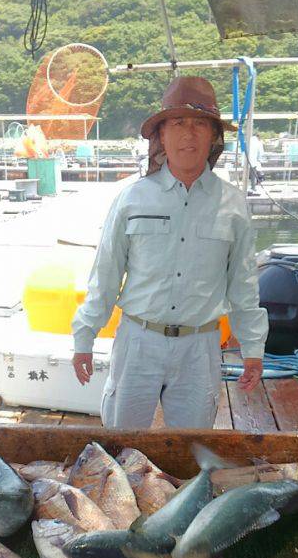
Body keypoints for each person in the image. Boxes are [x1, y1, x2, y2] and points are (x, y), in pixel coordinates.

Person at [72, 76, 268, 429]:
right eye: (177, 123)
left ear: (213, 137)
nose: (188, 134)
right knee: (121, 442)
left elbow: (244, 284)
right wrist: (84, 336)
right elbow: (105, 275)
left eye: (199, 124)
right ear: (161, 135)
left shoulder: (234, 206)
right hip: (137, 342)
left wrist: (253, 348)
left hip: (201, 346)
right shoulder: (131, 199)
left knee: (192, 451)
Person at [248, 131, 265, 195]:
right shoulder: (258, 142)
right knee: (253, 175)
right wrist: (259, 160)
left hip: (246, 160)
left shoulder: (248, 140)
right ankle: (253, 187)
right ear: (258, 137)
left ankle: (246, 186)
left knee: (246, 175)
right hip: (253, 161)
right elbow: (261, 153)